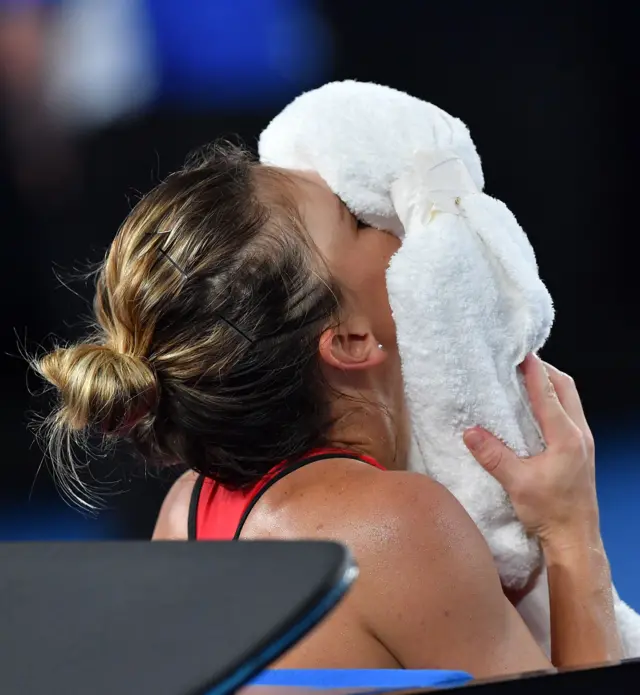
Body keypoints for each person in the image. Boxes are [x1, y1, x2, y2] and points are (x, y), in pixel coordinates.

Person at [34, 143, 621, 678]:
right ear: (348, 340)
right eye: (360, 222)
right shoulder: (399, 527)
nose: (391, 222)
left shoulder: (185, 510)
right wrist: (572, 528)